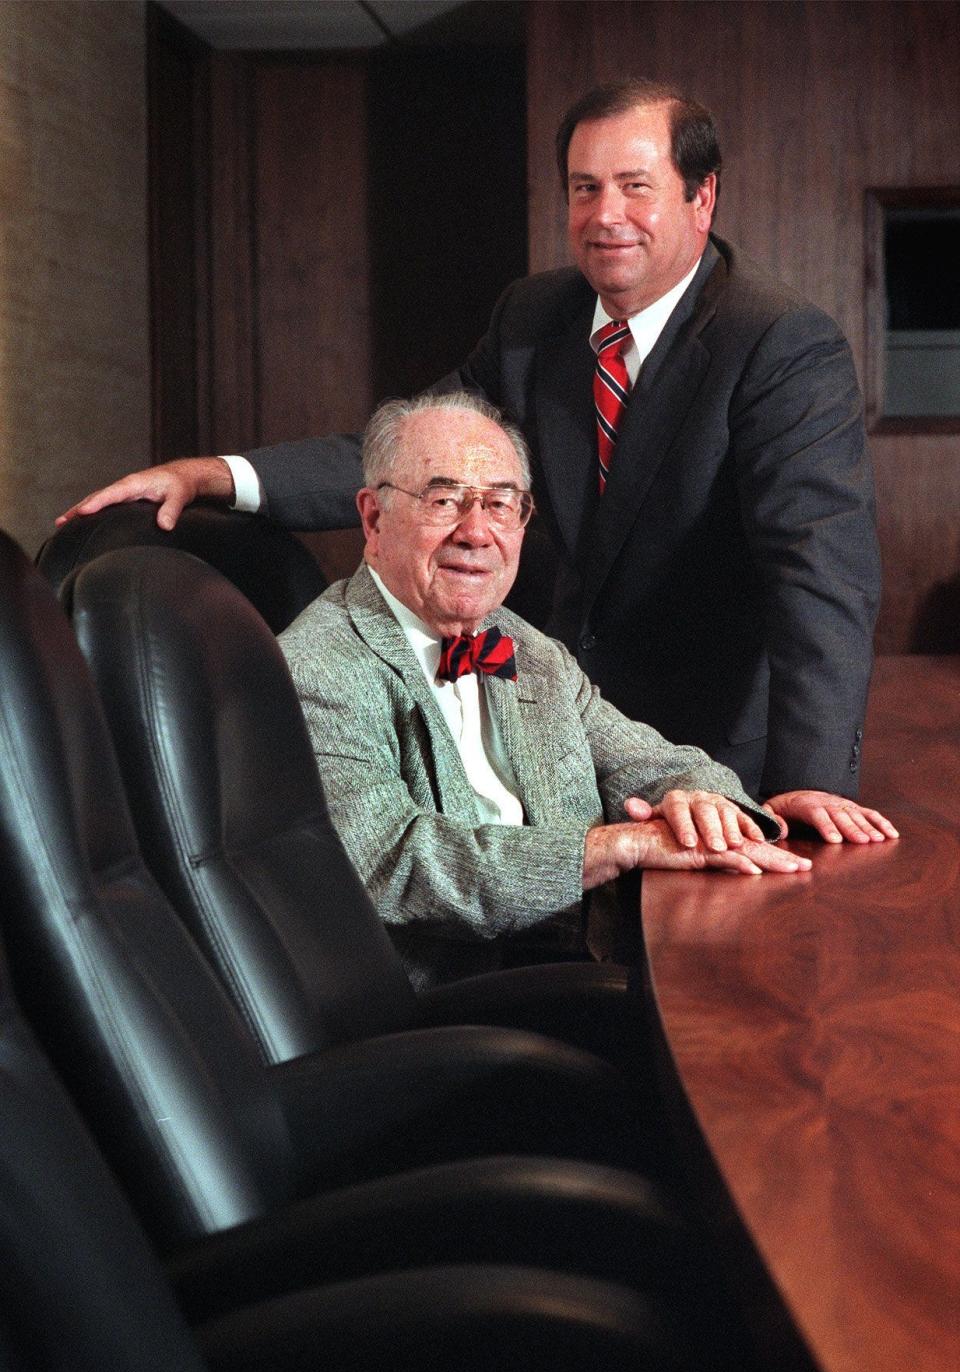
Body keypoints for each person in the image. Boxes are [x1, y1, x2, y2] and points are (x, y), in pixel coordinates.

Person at [59, 78, 880, 802]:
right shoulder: (534, 318)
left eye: (637, 187)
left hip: (705, 756)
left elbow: (817, 577)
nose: (606, 216)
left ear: (703, 198)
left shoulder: (777, 343)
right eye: (584, 188)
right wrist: (211, 474)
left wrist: (807, 781)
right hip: (543, 739)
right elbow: (406, 457)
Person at [277, 392, 895, 989]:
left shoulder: (525, 647)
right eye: (445, 500)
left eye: (501, 504)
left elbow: (651, 761)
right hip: (447, 1011)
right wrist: (610, 847)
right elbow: (398, 863)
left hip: (584, 964)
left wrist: (708, 804)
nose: (476, 531)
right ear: (373, 516)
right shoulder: (316, 667)